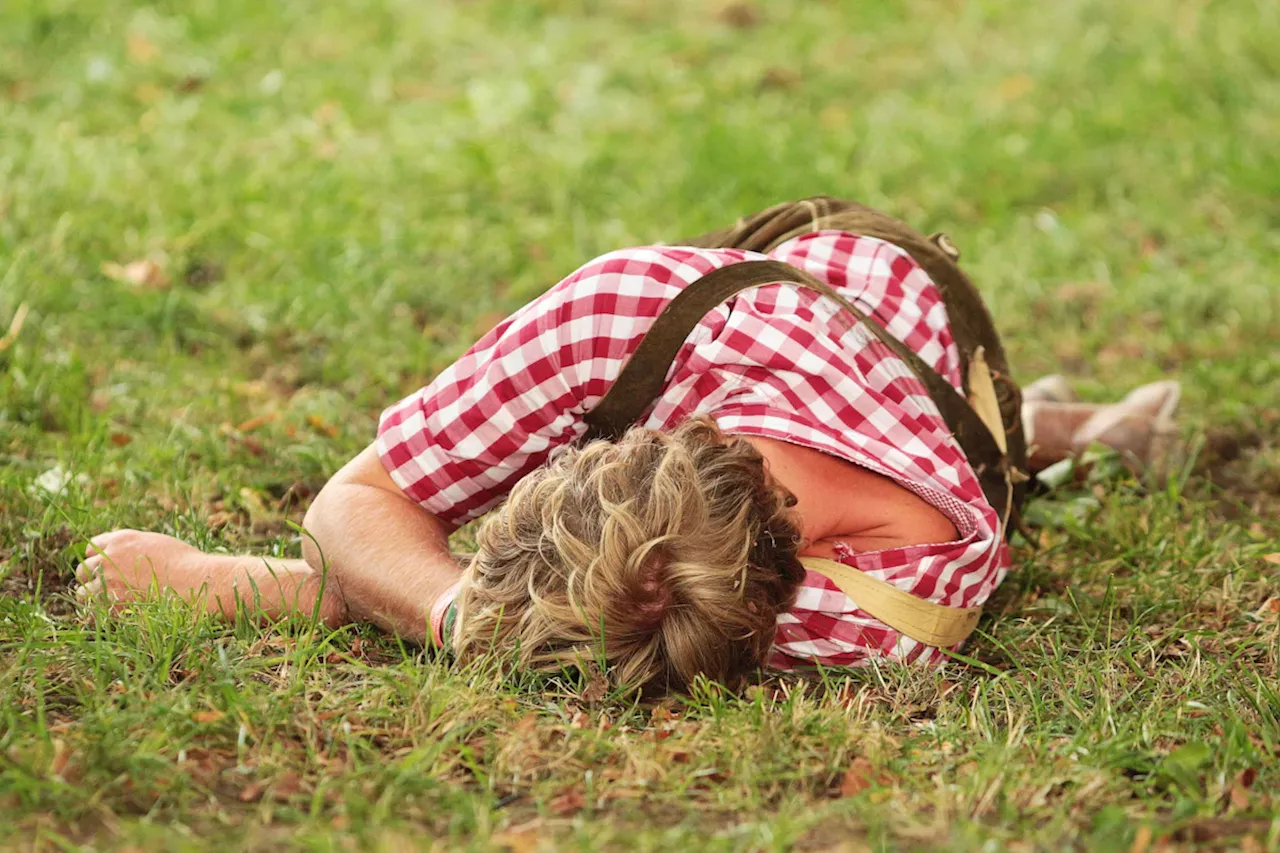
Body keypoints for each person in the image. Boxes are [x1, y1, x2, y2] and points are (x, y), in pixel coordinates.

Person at [73, 198, 1180, 695]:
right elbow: (351, 505)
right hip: (825, 298)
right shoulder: (628, 320)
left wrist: (250, 583)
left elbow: (363, 546)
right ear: (601, 437)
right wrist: (449, 603)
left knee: (995, 433)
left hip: (901, 349)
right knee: (1000, 422)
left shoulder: (893, 613)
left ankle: (1041, 424)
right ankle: (1052, 422)